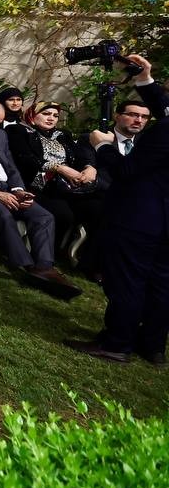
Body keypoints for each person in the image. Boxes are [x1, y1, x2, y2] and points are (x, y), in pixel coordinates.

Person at [65, 116, 169, 364]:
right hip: (164, 223)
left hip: (143, 218)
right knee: (160, 285)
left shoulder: (166, 128)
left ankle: (117, 343)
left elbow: (126, 171)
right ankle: (152, 345)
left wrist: (102, 145)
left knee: (128, 283)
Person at [0, 101, 80, 299]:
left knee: (44, 216)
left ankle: (44, 266)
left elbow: (11, 167)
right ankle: (25, 266)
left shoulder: (0, 135)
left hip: (7, 187)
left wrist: (18, 190)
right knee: (4, 215)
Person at [4, 100, 103, 278]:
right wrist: (59, 168)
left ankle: (90, 264)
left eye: (55, 115)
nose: (51, 118)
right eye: (46, 113)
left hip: (69, 186)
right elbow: (24, 158)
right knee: (63, 214)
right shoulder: (18, 130)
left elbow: (80, 154)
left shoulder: (62, 134)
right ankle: (46, 257)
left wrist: (89, 167)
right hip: (36, 186)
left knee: (98, 209)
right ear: (33, 114)